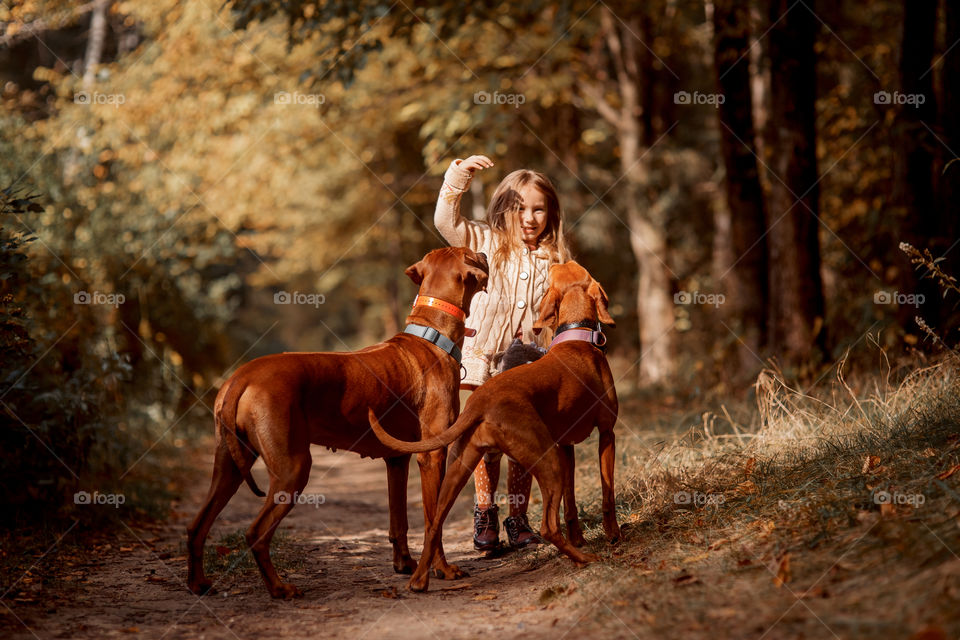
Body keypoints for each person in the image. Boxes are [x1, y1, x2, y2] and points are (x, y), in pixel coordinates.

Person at [433, 153, 570, 550]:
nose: (529, 218)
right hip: (485, 360)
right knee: (486, 442)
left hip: (531, 366)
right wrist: (459, 176)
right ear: (502, 209)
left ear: (551, 213)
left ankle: (518, 518)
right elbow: (446, 221)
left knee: (523, 444)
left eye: (538, 209)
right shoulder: (484, 241)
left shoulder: (556, 259)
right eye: (519, 208)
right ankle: (484, 514)